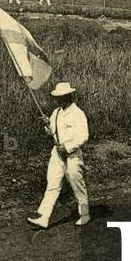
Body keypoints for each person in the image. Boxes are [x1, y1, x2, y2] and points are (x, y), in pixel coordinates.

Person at [28, 83, 90, 228]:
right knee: (52, 184)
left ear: (68, 96)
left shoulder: (78, 113)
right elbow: (51, 132)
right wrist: (47, 124)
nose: (58, 100)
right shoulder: (56, 112)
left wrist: (67, 147)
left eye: (61, 97)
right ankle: (43, 217)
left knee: (76, 184)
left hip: (73, 155)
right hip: (57, 154)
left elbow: (83, 136)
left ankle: (85, 214)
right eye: (57, 97)